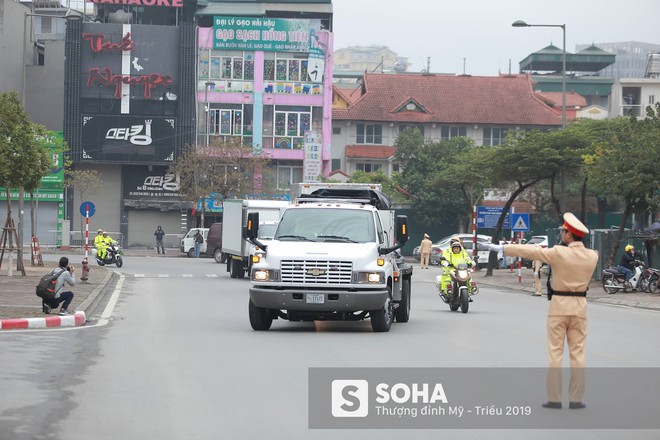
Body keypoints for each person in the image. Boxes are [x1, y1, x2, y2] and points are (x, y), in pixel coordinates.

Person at [480, 213, 599, 410]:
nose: (562, 233)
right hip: (580, 306)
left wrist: (503, 247)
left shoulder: (560, 253)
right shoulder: (593, 255)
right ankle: (576, 399)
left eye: (564, 231)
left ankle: (555, 398)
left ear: (569, 235)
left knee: (555, 353)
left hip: (559, 305)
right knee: (578, 354)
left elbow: (533, 251)